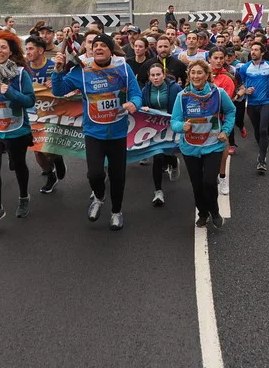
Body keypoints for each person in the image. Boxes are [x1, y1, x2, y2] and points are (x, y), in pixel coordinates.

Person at [52, 33, 142, 231]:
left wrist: (134, 103)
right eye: (95, 45)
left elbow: (136, 92)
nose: (98, 47)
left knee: (118, 175)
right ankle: (99, 197)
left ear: (111, 50)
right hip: (94, 131)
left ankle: (116, 211)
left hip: (117, 131)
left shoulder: (122, 67)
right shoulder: (82, 70)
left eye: (103, 45)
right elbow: (59, 91)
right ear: (91, 50)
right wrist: (57, 71)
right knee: (94, 174)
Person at [0, 31, 36, 228]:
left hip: (16, 129)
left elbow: (30, 101)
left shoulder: (20, 74)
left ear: (10, 51)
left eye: (3, 47)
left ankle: (24, 197)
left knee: (19, 165)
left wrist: (10, 92)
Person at [170, 61, 235, 227]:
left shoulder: (218, 93)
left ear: (207, 75)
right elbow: (174, 120)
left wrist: (225, 130)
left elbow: (231, 111)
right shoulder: (182, 96)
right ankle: (202, 213)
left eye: (199, 73)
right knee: (197, 184)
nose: (196, 76)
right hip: (190, 147)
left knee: (209, 182)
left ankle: (214, 211)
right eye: (193, 73)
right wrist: (181, 126)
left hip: (213, 144)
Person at [23, 36, 66, 194]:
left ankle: (57, 158)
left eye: (31, 48)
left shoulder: (53, 66)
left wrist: (56, 82)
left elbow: (66, 86)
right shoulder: (23, 68)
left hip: (51, 113)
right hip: (32, 114)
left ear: (41, 50)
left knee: (47, 148)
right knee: (37, 149)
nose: (28, 52)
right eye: (26, 49)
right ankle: (50, 175)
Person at [235, 42, 269, 174]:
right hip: (251, 103)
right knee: (257, 130)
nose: (253, 52)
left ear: (262, 53)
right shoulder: (245, 68)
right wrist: (245, 90)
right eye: (252, 49)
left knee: (263, 129)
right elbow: (240, 83)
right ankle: (262, 148)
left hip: (266, 102)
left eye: (256, 50)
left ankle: (262, 159)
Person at [140, 63, 181, 206]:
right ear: (149, 77)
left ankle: (173, 162)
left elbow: (182, 103)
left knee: (167, 154)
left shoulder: (174, 88)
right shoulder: (146, 90)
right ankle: (158, 192)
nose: (156, 78)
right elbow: (140, 104)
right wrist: (143, 108)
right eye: (153, 75)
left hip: (170, 126)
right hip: (155, 127)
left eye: (158, 74)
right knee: (157, 156)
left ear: (164, 75)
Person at [207, 48, 236, 196]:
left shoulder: (227, 78)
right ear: (209, 59)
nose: (218, 61)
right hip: (201, 120)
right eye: (215, 58)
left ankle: (223, 177)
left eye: (221, 58)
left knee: (223, 147)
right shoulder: (202, 74)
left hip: (220, 118)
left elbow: (226, 101)